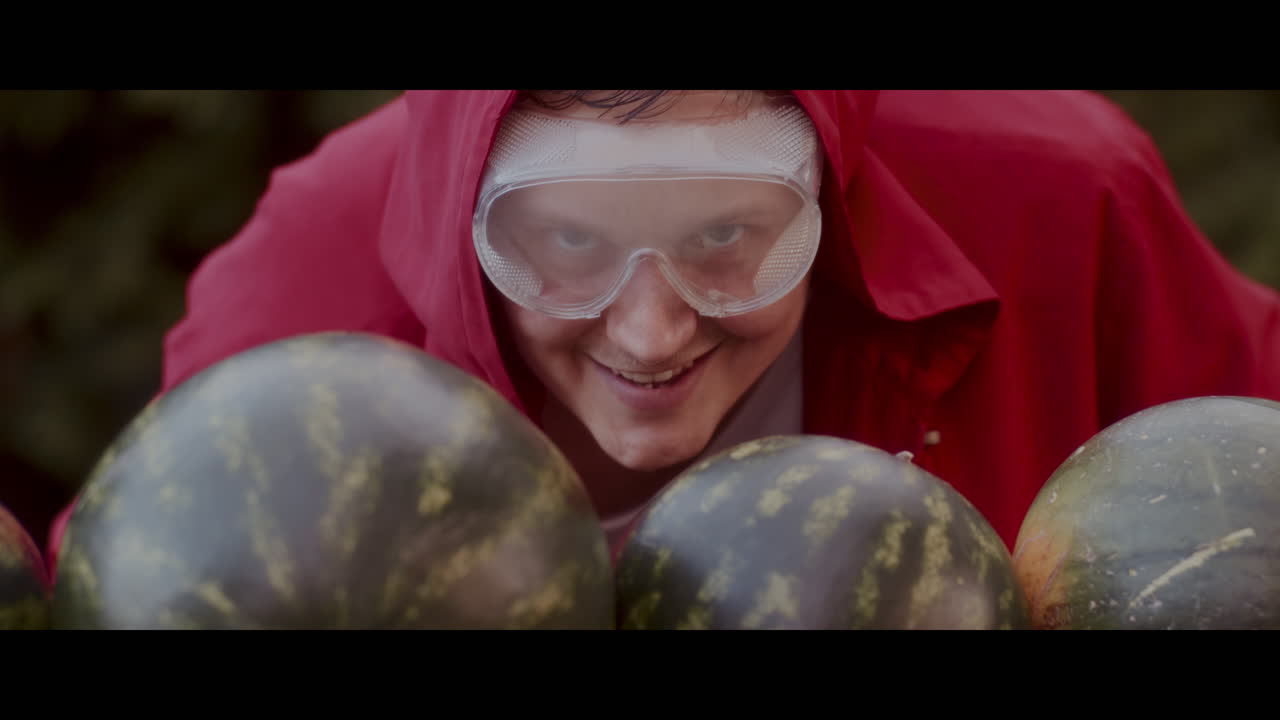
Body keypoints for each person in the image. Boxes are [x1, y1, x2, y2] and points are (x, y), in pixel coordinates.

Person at [46, 90, 1280, 575]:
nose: (649, 332)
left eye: (727, 236)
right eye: (565, 243)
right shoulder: (302, 302)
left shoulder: (1059, 204)